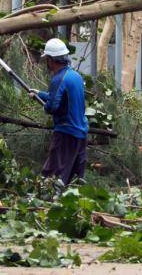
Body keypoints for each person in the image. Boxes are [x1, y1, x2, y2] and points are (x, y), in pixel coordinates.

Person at [29, 38, 88, 186]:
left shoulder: (58, 79)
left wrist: (45, 106)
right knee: (74, 181)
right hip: (80, 136)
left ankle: (43, 205)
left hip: (65, 134)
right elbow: (63, 98)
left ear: (50, 60)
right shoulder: (75, 76)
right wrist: (39, 94)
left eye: (47, 60)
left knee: (52, 177)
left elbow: (53, 106)